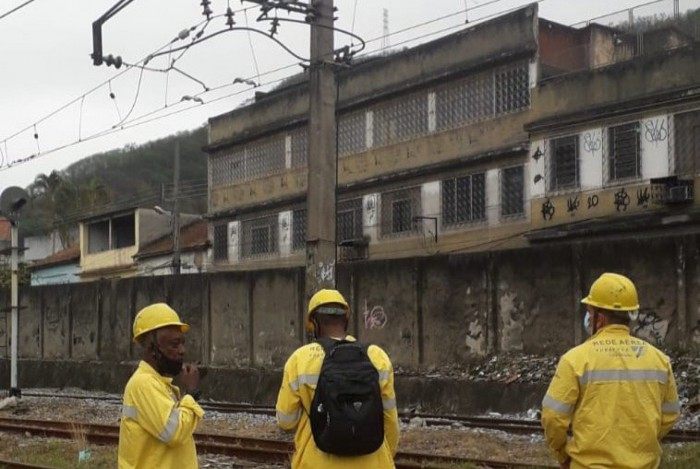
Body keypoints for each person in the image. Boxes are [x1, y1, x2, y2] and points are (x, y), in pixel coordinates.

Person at [541, 273, 680, 469]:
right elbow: (671, 414)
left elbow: (552, 417)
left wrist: (562, 454)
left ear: (600, 318)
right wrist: (637, 444)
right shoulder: (659, 360)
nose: (588, 316)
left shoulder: (575, 360)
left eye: (590, 311)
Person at [275, 289, 399, 468]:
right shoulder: (377, 356)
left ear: (314, 324)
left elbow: (286, 421)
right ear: (346, 320)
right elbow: (390, 421)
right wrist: (386, 454)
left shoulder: (299, 359)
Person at [118, 303, 204, 469]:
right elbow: (174, 433)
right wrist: (191, 393)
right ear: (152, 349)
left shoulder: (159, 384)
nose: (182, 351)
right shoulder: (144, 384)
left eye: (182, 343)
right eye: (174, 344)